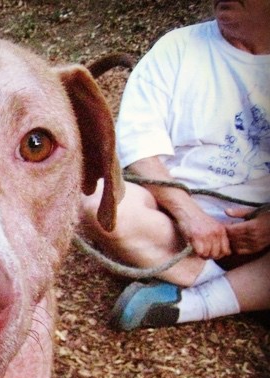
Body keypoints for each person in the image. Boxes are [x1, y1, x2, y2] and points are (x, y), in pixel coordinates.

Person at [81, 0, 270, 331]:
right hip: (171, 225)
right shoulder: (177, 48)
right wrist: (190, 215)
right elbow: (138, 150)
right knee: (97, 199)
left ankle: (196, 303)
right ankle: (243, 288)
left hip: (258, 233)